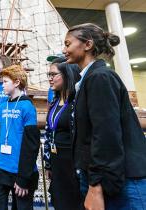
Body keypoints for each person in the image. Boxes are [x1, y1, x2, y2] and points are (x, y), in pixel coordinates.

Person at [63, 23, 146, 210]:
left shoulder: (100, 77)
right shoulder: (86, 79)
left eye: (68, 44)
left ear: (87, 45)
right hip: (102, 177)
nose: (64, 50)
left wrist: (96, 186)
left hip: (120, 182)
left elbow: (106, 134)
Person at [0, 65, 41, 210]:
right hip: (1, 170)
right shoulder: (2, 107)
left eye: (5, 82)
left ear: (16, 82)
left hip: (20, 172)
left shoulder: (27, 107)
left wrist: (23, 178)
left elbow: (32, 145)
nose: (2, 85)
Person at [43, 57, 82, 210]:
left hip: (72, 166)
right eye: (49, 75)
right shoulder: (54, 102)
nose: (50, 78)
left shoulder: (76, 102)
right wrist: (48, 164)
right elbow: (49, 132)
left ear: (67, 75)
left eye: (54, 74)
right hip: (56, 164)